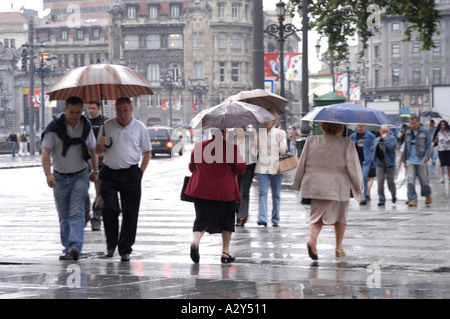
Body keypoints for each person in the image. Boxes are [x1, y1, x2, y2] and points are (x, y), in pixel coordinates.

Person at [293, 122, 364, 259]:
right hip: (339, 186)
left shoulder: (311, 140)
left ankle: (312, 240)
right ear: (340, 128)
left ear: (323, 127)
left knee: (316, 218)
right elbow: (353, 167)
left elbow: (302, 162)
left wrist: (298, 182)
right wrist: (359, 187)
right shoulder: (347, 143)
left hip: (316, 186)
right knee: (340, 217)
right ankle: (338, 248)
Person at [41, 96, 99, 261]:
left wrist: (95, 170)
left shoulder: (85, 126)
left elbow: (92, 150)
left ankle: (75, 246)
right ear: (65, 110)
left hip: (80, 175)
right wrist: (48, 174)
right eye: (72, 112)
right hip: (59, 177)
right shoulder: (53, 128)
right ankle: (68, 248)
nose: (75, 116)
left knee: (76, 213)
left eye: (78, 112)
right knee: (64, 215)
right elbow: (46, 153)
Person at [96, 97, 151, 262]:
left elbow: (147, 151)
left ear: (131, 110)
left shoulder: (140, 127)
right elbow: (97, 151)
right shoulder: (107, 126)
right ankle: (111, 244)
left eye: (125, 110)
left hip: (131, 173)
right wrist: (102, 145)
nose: (122, 115)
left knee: (131, 213)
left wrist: (140, 172)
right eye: (119, 111)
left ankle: (125, 248)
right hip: (110, 173)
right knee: (110, 209)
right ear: (115, 110)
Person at [185, 129, 247, 263]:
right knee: (226, 221)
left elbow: (191, 167)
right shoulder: (231, 148)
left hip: (202, 190)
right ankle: (225, 252)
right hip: (225, 192)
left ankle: (195, 242)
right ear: (224, 133)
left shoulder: (199, 146)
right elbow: (241, 168)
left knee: (201, 219)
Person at [254, 111, 288, 227]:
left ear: (274, 121)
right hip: (262, 166)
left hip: (276, 166)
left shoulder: (281, 133)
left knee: (276, 194)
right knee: (263, 192)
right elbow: (254, 153)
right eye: (264, 119)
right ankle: (262, 218)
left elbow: (284, 150)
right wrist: (256, 145)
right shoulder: (259, 133)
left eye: (268, 119)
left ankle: (275, 219)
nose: (266, 121)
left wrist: (279, 143)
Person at [84, 101, 107, 231]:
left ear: (99, 108)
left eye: (93, 108)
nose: (91, 110)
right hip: (85, 161)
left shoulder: (105, 122)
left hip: (102, 162)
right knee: (82, 191)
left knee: (101, 192)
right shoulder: (84, 122)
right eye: (89, 108)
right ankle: (85, 215)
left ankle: (96, 218)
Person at [403, 115, 432, 206]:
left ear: (418, 122)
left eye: (414, 123)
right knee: (410, 181)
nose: (412, 125)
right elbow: (405, 148)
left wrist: (427, 156)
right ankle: (413, 199)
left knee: (424, 181)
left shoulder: (425, 132)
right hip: (410, 161)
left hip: (421, 160)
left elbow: (428, 145)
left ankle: (427, 195)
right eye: (411, 124)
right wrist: (405, 161)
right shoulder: (408, 132)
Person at [234, 126, 257, 226]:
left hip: (248, 166)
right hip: (234, 167)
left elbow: (256, 153)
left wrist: (255, 144)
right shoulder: (231, 136)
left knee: (244, 191)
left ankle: (242, 216)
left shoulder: (251, 136)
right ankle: (237, 212)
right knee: (235, 191)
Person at [371, 125, 397, 206]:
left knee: (390, 182)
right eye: (383, 131)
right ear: (380, 131)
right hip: (380, 163)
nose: (384, 133)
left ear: (389, 131)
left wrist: (385, 140)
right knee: (380, 182)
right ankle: (381, 199)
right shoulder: (376, 140)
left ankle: (393, 195)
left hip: (390, 163)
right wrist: (373, 161)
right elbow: (372, 149)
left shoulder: (392, 139)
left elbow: (391, 149)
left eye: (386, 131)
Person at [349, 125, 375, 205]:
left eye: (362, 126)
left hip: (366, 160)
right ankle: (360, 194)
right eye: (359, 126)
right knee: (357, 178)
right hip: (356, 160)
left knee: (364, 176)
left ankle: (365, 196)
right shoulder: (352, 136)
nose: (360, 128)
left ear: (364, 126)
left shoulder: (370, 136)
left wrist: (373, 162)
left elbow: (373, 148)